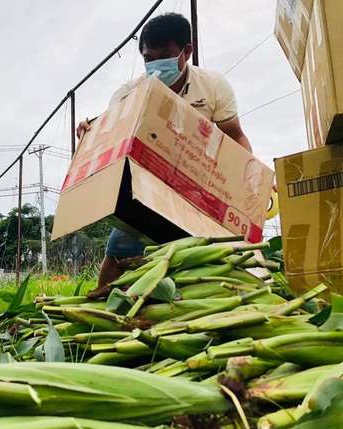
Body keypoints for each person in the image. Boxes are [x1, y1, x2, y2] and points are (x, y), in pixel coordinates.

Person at [82, 13, 253, 299]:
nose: (155, 64)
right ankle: (98, 302)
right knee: (123, 243)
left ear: (187, 51)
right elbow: (110, 133)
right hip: (148, 182)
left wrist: (247, 177)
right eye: (149, 57)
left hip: (200, 183)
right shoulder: (130, 93)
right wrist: (91, 132)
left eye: (165, 55)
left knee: (207, 251)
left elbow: (234, 135)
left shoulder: (212, 87)